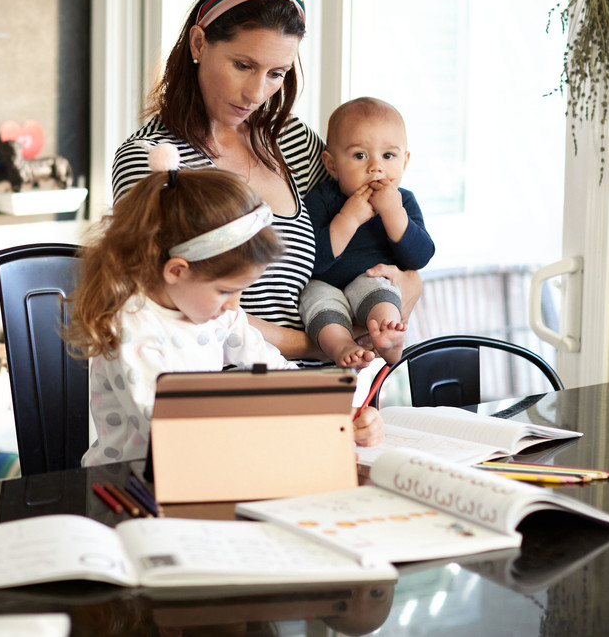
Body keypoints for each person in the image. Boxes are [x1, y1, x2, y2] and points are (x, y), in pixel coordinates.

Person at [111, 0, 421, 362]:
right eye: (243, 65)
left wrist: (409, 282)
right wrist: (328, 344)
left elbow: (378, 234)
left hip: (330, 381)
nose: (257, 93)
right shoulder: (152, 159)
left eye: (276, 73)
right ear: (199, 42)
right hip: (227, 389)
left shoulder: (293, 142)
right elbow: (165, 306)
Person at [69, 144, 383, 466]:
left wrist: (341, 415)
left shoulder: (219, 314)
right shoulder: (132, 329)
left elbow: (277, 374)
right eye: (225, 290)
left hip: (203, 469)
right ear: (177, 271)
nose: (235, 305)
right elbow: (167, 430)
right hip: (128, 483)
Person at [300, 98, 435, 368]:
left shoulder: (403, 202)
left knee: (380, 288)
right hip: (326, 284)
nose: (376, 167)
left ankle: (390, 337)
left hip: (371, 279)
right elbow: (313, 262)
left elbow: (419, 257)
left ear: (405, 161)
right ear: (332, 165)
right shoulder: (322, 198)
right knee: (315, 300)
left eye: (388, 156)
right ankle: (342, 347)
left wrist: (393, 214)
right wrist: (348, 218)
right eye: (360, 155)